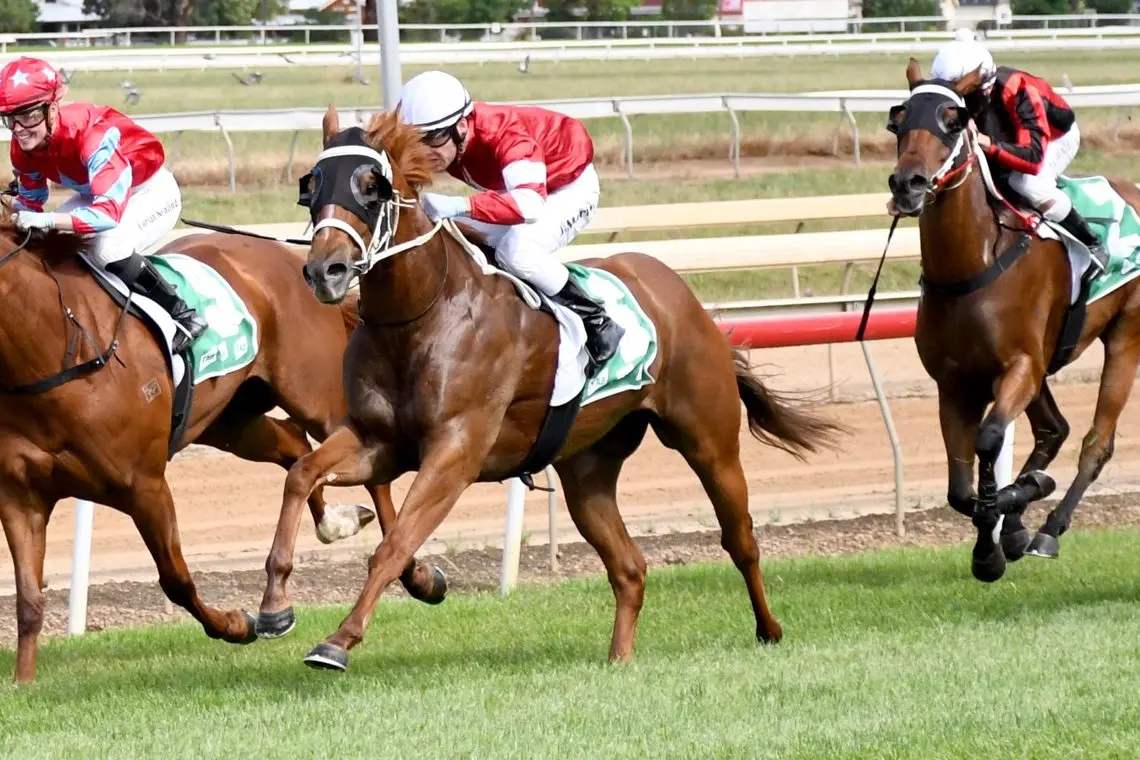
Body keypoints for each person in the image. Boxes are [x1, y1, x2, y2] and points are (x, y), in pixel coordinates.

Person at [395, 70, 624, 377]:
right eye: (416, 142)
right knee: (458, 236)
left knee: (518, 252)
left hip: (568, 187)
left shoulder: (504, 134)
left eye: (434, 139)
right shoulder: (450, 140)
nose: (425, 153)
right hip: (522, 188)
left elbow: (529, 205)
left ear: (462, 126)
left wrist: (457, 205)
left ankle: (599, 322)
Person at [0, 55, 207, 352]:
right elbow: (30, 202)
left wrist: (46, 220)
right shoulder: (22, 146)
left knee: (107, 246)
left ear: (52, 109)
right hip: (96, 194)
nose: (19, 128)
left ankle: (183, 314)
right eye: (10, 118)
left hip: (148, 191)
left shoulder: (92, 136)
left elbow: (106, 215)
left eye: (29, 115)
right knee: (48, 245)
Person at [929, 37, 1108, 271]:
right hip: (1009, 136)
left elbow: (1032, 158)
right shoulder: (968, 91)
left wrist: (985, 143)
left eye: (967, 98)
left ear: (985, 87)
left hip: (1054, 138)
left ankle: (1091, 243)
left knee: (1027, 185)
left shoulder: (1020, 91)